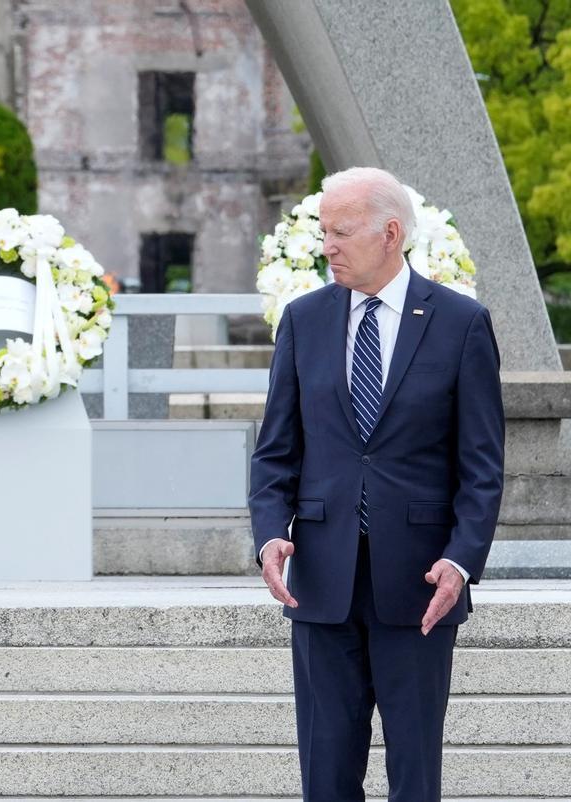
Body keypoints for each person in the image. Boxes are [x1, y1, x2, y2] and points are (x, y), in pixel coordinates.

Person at [248, 167, 504, 801]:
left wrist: (461, 560)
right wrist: (268, 535)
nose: (327, 246)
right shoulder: (303, 320)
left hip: (421, 586)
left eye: (341, 232)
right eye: (323, 232)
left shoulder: (461, 324)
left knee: (415, 777)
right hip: (320, 583)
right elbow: (275, 450)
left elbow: (482, 465)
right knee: (326, 778)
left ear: (391, 234)